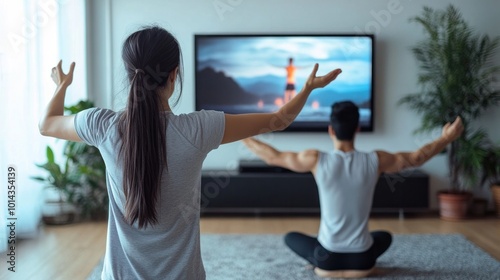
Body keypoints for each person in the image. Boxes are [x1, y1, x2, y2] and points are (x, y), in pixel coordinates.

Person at [38, 26, 342, 279]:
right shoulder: (200, 128)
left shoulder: (102, 125)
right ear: (174, 75)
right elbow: (280, 120)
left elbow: (47, 124)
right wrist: (307, 90)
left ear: (130, 74)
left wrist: (62, 86)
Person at [243, 101, 464, 278]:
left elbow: (273, 157)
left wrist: (243, 134)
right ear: (357, 129)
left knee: (290, 237)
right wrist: (446, 138)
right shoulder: (375, 160)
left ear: (330, 129)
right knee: (384, 237)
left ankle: (322, 267)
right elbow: (416, 158)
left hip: (326, 259)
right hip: (363, 260)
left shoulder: (315, 159)